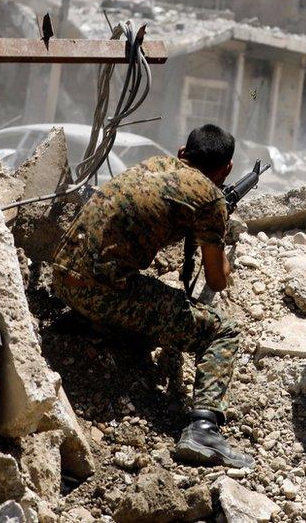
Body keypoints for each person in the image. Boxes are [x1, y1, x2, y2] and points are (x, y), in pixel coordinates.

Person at [51, 124, 253, 469]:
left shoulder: (153, 166)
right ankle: (204, 429)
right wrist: (219, 232)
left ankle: (95, 325)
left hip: (64, 280)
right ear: (227, 169)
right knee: (223, 331)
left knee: (144, 309)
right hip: (104, 291)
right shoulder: (209, 198)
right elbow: (218, 280)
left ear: (181, 152)